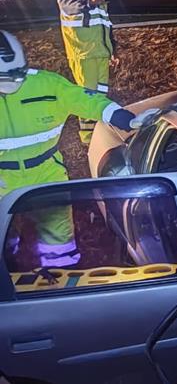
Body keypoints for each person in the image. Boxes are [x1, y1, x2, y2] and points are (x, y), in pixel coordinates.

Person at [0, 30, 141, 268]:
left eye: (18, 74)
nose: (15, 82)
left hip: (47, 172)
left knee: (57, 232)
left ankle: (61, 271)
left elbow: (85, 99)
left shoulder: (47, 85)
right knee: (4, 232)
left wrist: (120, 116)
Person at [58, 0, 116, 144]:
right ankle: (88, 138)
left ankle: (98, 130)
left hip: (100, 52)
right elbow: (69, 6)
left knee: (100, 94)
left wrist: (112, 50)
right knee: (87, 95)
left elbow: (104, 24)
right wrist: (91, 2)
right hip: (82, 52)